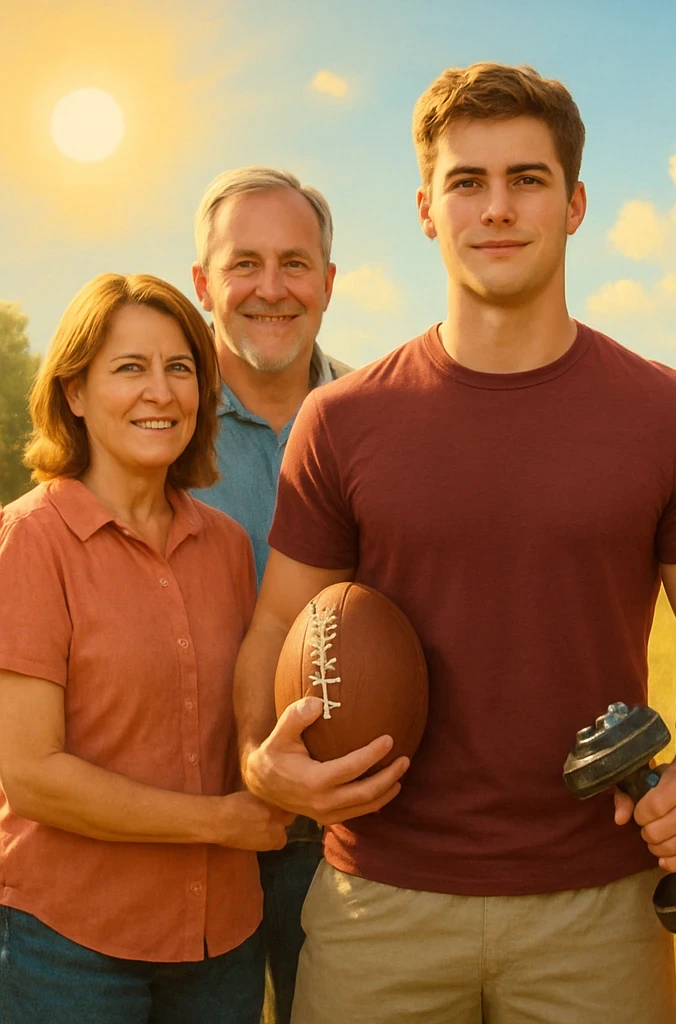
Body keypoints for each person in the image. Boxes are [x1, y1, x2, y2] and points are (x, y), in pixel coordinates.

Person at [235, 63, 676, 1024]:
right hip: (379, 900)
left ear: (575, 203)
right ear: (427, 210)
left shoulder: (673, 413)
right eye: (466, 182)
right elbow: (279, 620)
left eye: (527, 179)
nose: (498, 209)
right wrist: (258, 760)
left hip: (600, 907)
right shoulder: (341, 420)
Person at [0, 273, 292, 1024]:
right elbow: (32, 775)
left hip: (222, 941)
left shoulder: (226, 546)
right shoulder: (30, 541)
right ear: (73, 392)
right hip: (69, 950)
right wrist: (220, 823)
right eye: (129, 368)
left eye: (181, 367)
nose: (160, 392)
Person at [190, 166, 350, 1024]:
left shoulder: (379, 417)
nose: (271, 288)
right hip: (181, 821)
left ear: (329, 281)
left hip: (342, 834)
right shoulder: (150, 418)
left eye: (296, 263)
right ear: (202, 283)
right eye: (243, 263)